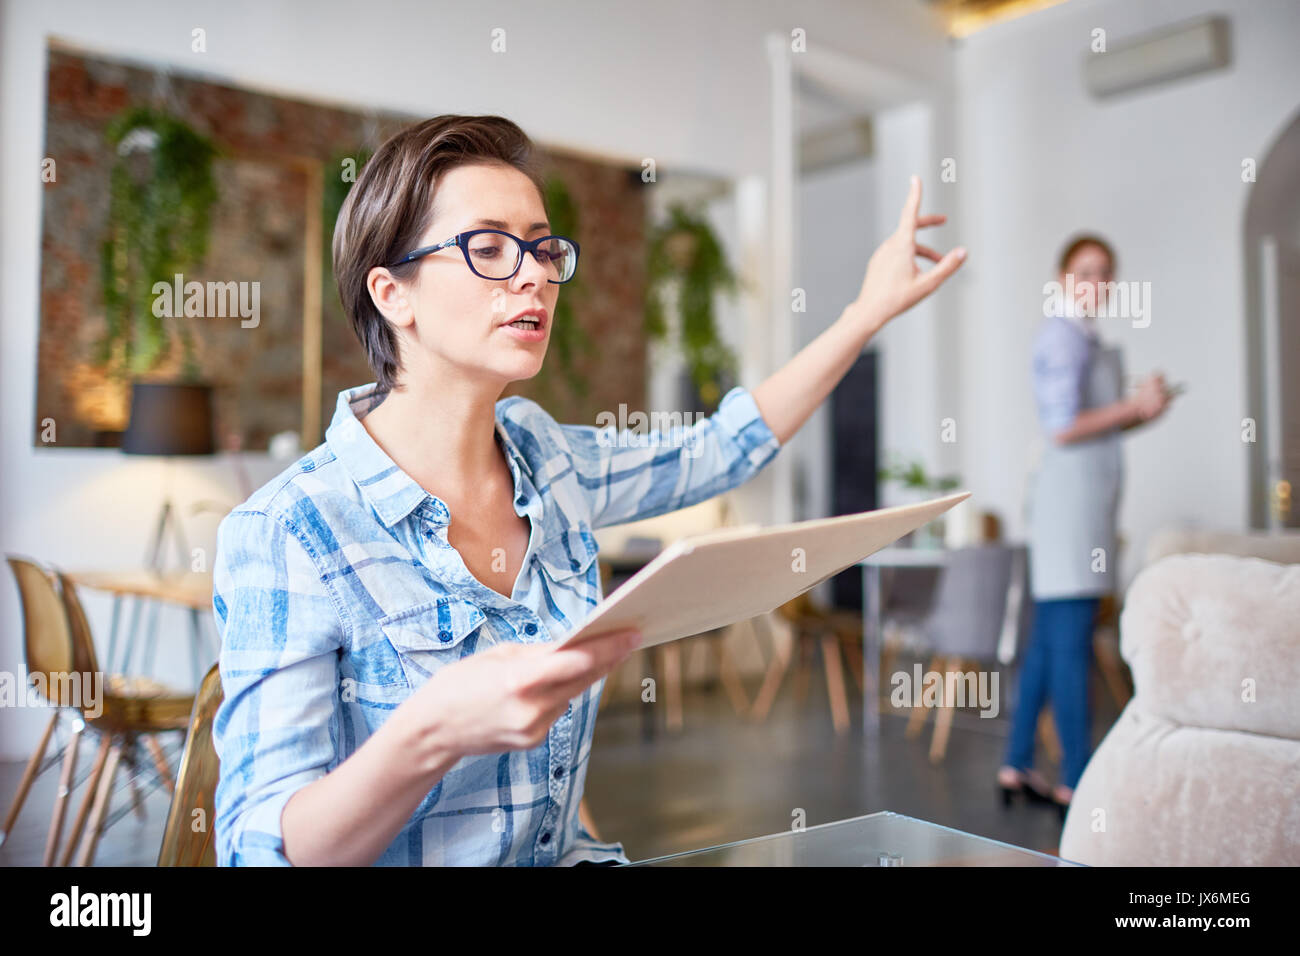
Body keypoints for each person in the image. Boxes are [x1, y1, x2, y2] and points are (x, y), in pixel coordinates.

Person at [211, 114, 966, 866]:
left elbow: (721, 449)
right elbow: (262, 853)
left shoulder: (546, 456)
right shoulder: (290, 530)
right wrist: (430, 732)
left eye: (542, 247)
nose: (534, 272)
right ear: (392, 293)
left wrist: (867, 312)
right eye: (489, 248)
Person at [998, 235, 1173, 818]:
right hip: (1068, 517)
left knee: (1050, 642)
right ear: (1062, 276)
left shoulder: (1086, 339)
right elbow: (1063, 426)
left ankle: (1017, 764)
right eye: (1085, 271)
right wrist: (1132, 406)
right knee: (1070, 642)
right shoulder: (1061, 336)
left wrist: (1140, 413)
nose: (1095, 283)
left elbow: (1092, 427)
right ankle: (1077, 779)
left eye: (1105, 274)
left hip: (1082, 511)